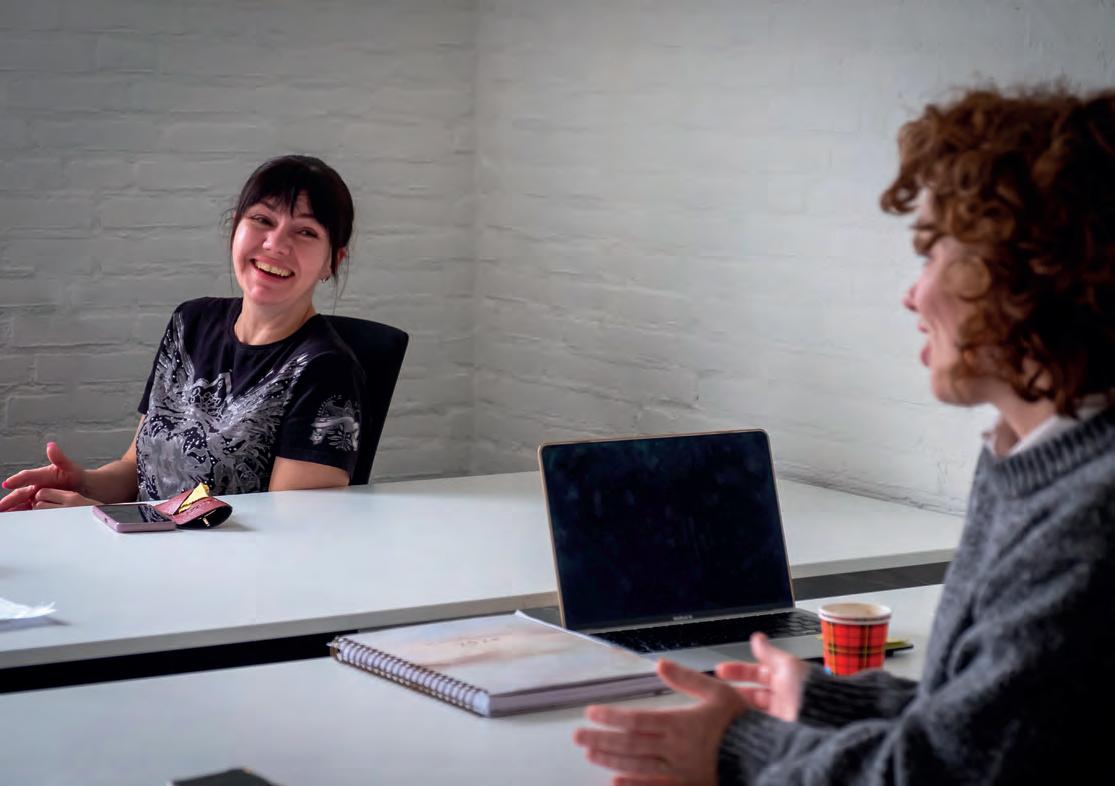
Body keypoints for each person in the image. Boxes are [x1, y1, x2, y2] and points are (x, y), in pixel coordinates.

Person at [573, 85, 1115, 784]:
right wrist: (821, 701)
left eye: (931, 254)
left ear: (1029, 273)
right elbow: (996, 733)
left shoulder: (1091, 516)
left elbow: (944, 774)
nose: (912, 295)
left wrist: (736, 749)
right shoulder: (1031, 456)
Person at [0, 155, 367, 511]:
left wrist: (106, 516)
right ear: (235, 229)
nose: (276, 244)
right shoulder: (190, 322)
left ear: (332, 262)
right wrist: (82, 484)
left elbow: (288, 529)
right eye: (262, 219)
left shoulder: (326, 370)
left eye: (305, 232)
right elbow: (135, 469)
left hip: (213, 555)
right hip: (142, 543)